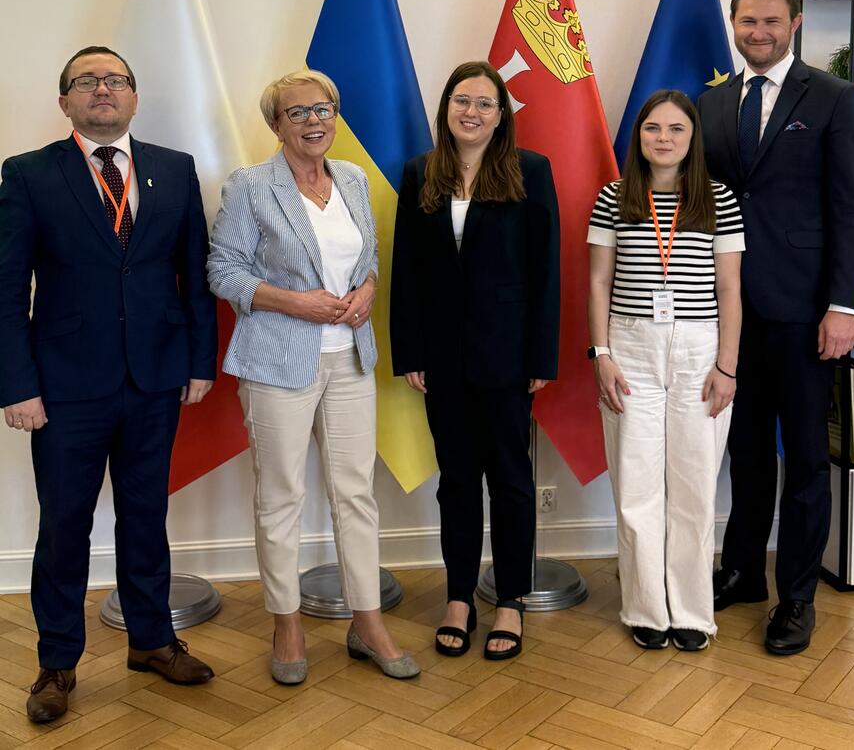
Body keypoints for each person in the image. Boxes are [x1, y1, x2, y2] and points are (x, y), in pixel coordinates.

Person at [0, 46, 218, 724]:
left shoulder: (174, 170)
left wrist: (200, 362)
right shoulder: (28, 173)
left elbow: (195, 275)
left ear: (134, 96)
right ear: (64, 100)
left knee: (146, 517)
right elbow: (7, 289)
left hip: (155, 378)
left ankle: (151, 641)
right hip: (64, 387)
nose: (103, 88)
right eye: (87, 81)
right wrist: (16, 385)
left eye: (115, 79)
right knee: (64, 527)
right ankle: (57, 663)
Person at [207, 69, 418, 684]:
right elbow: (223, 271)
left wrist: (367, 289)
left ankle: (368, 621)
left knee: (356, 493)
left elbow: (368, 258)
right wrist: (294, 302)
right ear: (276, 125)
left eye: (323, 109)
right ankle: (287, 624)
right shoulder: (251, 186)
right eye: (297, 113)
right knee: (281, 497)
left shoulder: (352, 179)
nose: (313, 121)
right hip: (277, 363)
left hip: (350, 357)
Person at [698, 0, 854, 655]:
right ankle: (743, 571)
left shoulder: (832, 96)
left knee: (803, 458)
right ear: (734, 24)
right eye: (748, 21)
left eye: (771, 21)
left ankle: (797, 596)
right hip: (729, 313)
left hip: (805, 312)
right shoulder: (711, 102)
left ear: (794, 23)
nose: (759, 32)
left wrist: (843, 305)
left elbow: (849, 208)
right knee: (743, 452)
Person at [390, 60, 560, 661]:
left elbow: (546, 269)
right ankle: (459, 597)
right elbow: (407, 269)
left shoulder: (530, 170)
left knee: (511, 480)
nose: (473, 112)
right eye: (462, 100)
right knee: (457, 482)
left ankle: (510, 599)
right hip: (442, 356)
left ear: (501, 115)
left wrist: (541, 355)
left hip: (508, 354)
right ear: (446, 109)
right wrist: (410, 350)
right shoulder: (420, 172)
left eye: (486, 103)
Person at [588, 89, 743, 651]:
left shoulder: (719, 199)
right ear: (639, 136)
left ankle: (693, 613)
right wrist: (601, 354)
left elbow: (730, 289)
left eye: (677, 129)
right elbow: (598, 281)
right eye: (653, 128)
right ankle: (646, 608)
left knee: (694, 486)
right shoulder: (614, 197)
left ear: (692, 138)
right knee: (636, 486)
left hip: (702, 350)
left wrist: (727, 367)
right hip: (630, 348)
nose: (664, 138)